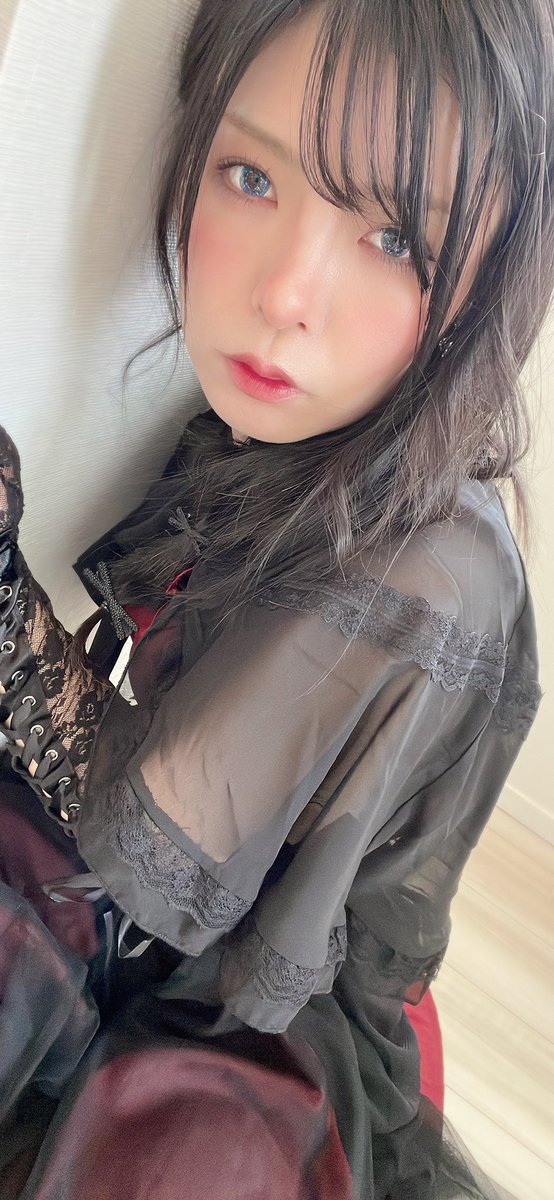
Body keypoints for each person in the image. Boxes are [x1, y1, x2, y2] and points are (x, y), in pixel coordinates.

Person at [0, 1, 552, 1196]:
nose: (286, 292)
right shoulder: (294, 426)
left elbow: (142, 837)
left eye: (393, 238)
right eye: (249, 176)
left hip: (262, 1003)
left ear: (486, 282)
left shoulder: (430, 564)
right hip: (174, 880)